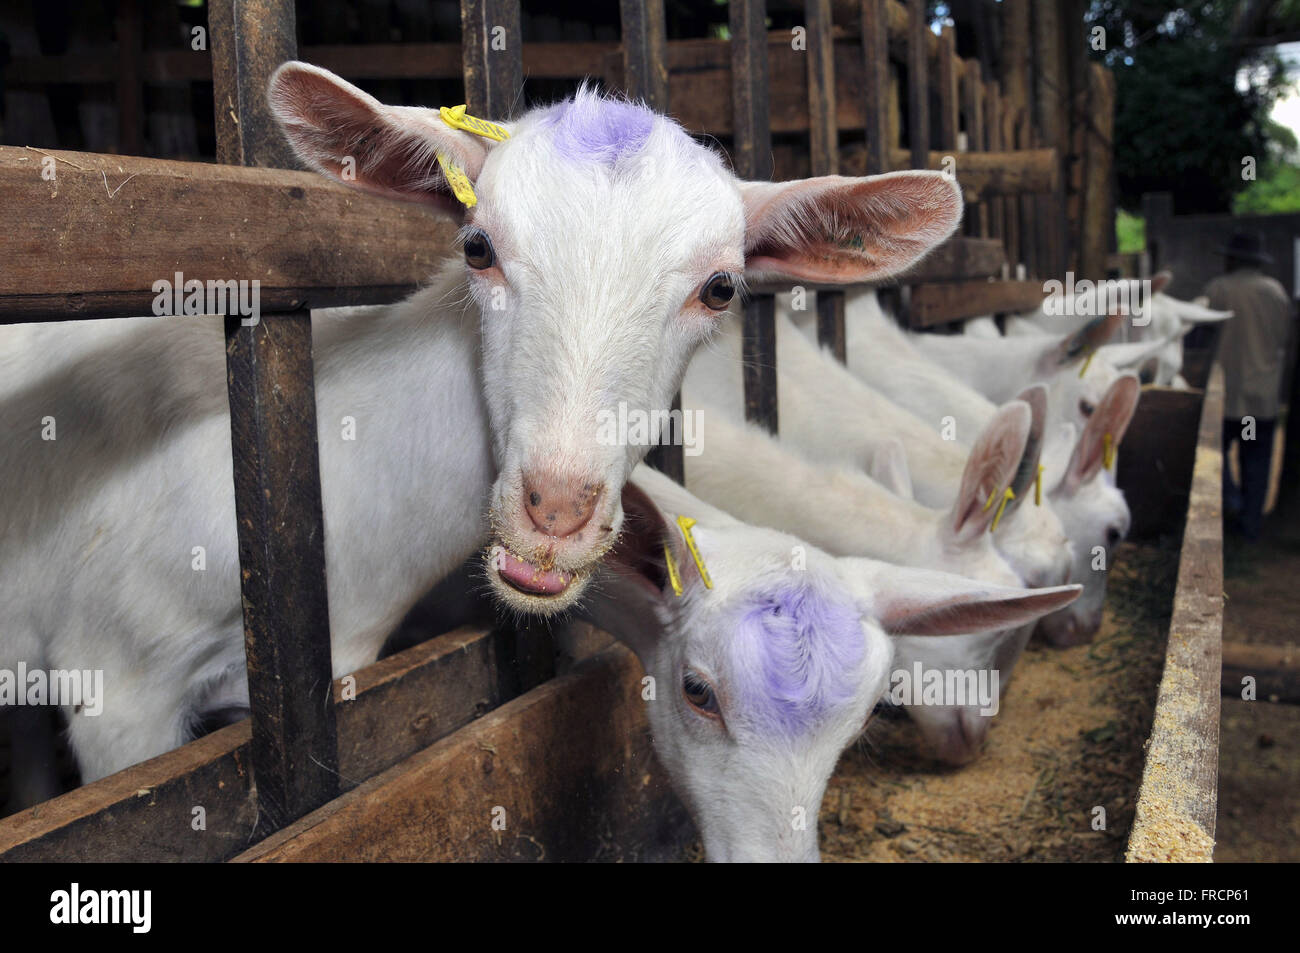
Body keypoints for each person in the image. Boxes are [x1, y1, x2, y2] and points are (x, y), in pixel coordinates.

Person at [1202, 229, 1294, 541]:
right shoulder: (1276, 292)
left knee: (1215, 455)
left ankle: (1231, 502)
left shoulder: (1219, 289)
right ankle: (1250, 525)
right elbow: (1283, 338)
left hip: (1226, 398)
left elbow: (1199, 333)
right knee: (1255, 459)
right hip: (1260, 400)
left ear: (1232, 259)